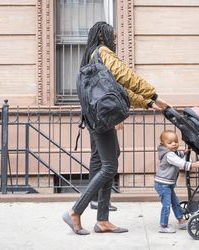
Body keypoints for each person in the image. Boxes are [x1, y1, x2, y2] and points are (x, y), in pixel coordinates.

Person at [62, 21, 169, 235]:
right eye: (113, 36)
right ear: (103, 37)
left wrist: (148, 103)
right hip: (101, 118)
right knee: (109, 166)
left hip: (96, 117)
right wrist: (153, 94)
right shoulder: (103, 52)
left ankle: (102, 220)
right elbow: (125, 76)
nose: (116, 40)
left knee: (109, 160)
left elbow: (118, 90)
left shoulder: (91, 55)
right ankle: (75, 211)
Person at [154, 130, 199, 233]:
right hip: (163, 185)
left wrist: (184, 152)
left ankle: (181, 221)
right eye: (170, 142)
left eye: (176, 141)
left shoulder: (173, 152)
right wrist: (193, 165)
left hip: (168, 184)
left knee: (176, 203)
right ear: (163, 144)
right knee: (166, 205)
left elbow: (179, 154)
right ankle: (163, 226)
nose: (174, 144)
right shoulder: (169, 155)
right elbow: (179, 162)